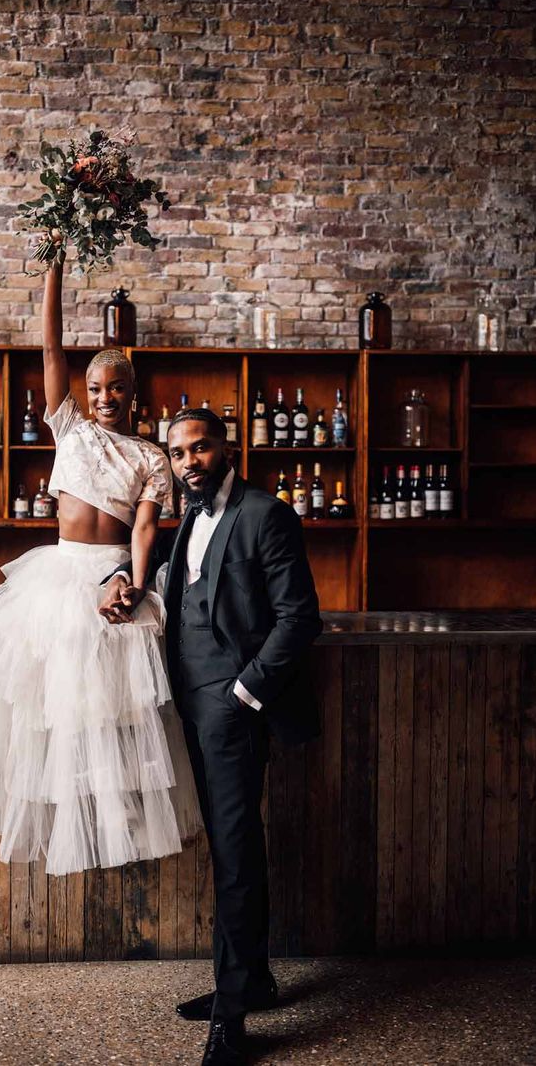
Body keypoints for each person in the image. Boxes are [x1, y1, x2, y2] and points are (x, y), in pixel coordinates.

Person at [0, 265, 201, 877]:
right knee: (52, 711)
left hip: (113, 577)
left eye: (118, 388)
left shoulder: (152, 455)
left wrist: (133, 585)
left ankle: (118, 820)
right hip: (57, 578)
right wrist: (53, 264)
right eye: (97, 387)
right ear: (85, 393)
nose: (106, 397)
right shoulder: (71, 431)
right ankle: (68, 817)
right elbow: (50, 344)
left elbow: (144, 529)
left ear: (134, 393)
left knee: (115, 713)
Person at [99, 408, 323, 1066]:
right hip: (190, 703)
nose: (189, 461)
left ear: (226, 448)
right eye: (177, 452)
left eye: (200, 448)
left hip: (234, 706)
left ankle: (232, 1016)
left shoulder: (264, 513)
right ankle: (251, 978)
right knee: (232, 846)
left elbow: (299, 617)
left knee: (233, 854)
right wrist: (115, 580)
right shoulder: (189, 514)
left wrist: (245, 693)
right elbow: (166, 574)